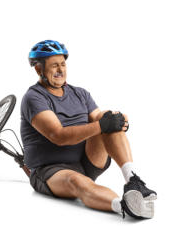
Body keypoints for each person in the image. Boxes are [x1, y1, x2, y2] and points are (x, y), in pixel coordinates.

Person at [20, 40, 157, 219]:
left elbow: (99, 118)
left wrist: (119, 120)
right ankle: (124, 206)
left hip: (86, 161)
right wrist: (102, 125)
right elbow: (58, 136)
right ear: (39, 70)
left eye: (63, 64)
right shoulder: (34, 97)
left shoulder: (80, 93)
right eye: (54, 66)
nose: (61, 70)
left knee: (108, 119)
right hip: (51, 170)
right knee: (77, 181)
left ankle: (133, 180)